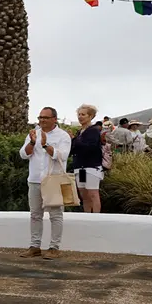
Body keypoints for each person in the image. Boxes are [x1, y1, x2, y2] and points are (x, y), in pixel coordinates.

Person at [19, 107, 72, 260]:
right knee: (35, 214)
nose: (42, 120)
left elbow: (62, 155)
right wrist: (33, 142)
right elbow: (23, 154)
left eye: (46, 118)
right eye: (40, 117)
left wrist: (44, 145)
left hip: (53, 180)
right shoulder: (33, 134)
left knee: (55, 215)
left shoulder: (63, 136)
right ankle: (35, 246)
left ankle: (54, 247)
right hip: (35, 179)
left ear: (54, 119)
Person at [69, 104, 105, 214]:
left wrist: (74, 140)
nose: (80, 117)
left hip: (91, 167)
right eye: (79, 114)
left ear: (90, 116)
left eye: (83, 114)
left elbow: (90, 147)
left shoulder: (93, 131)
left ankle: (96, 218)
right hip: (80, 168)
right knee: (84, 194)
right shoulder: (80, 132)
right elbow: (74, 150)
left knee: (93, 193)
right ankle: (87, 215)